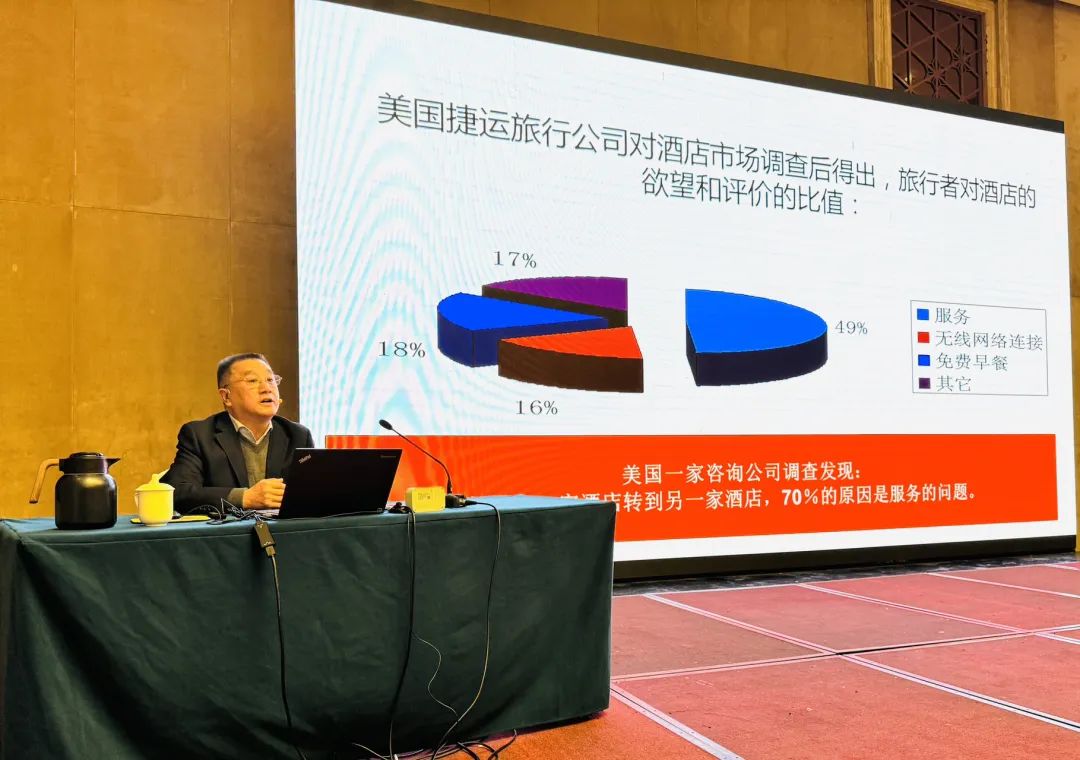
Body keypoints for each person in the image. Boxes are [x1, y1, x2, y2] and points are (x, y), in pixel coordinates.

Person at [162, 353, 314, 514]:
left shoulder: (298, 435)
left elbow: (314, 493)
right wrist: (244, 497)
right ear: (226, 396)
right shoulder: (200, 435)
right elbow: (177, 492)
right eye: (252, 380)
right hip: (229, 529)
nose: (266, 388)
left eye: (270, 380)